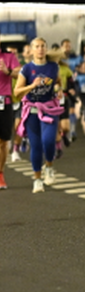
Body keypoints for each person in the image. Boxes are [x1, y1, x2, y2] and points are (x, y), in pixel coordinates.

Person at [13, 38, 65, 192]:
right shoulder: (27, 69)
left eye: (43, 46)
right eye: (37, 46)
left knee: (48, 141)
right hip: (32, 112)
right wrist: (32, 85)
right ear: (31, 50)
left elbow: (58, 83)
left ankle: (49, 166)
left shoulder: (53, 67)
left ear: (46, 48)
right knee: (35, 146)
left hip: (49, 109)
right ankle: (37, 179)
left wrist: (58, 89)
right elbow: (17, 92)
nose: (40, 49)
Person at [0, 46, 22, 189]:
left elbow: (19, 73)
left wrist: (6, 71)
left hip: (4, 102)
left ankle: (0, 173)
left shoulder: (8, 56)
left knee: (3, 141)